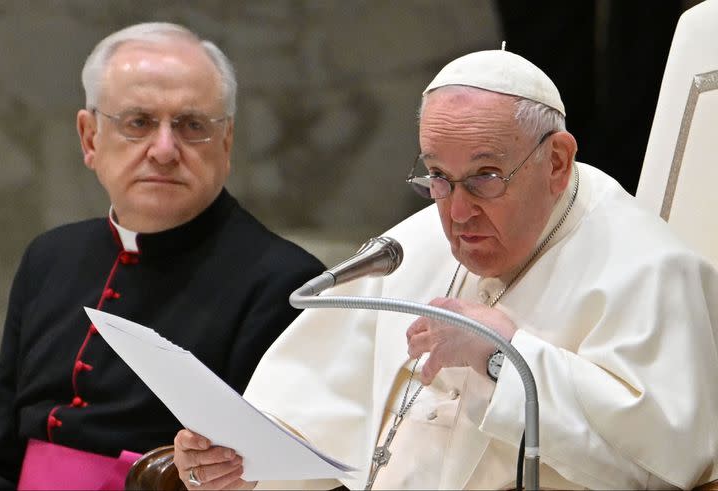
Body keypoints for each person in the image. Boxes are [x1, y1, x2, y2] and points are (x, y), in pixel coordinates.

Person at [172, 49, 718, 490]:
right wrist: (239, 465)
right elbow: (308, 421)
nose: (456, 214)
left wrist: (506, 354)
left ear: (556, 162)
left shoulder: (649, 269)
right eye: (437, 176)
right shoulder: (414, 244)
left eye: (485, 176)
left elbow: (659, 466)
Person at [0, 22, 324, 490]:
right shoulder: (49, 258)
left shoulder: (288, 285)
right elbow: (4, 453)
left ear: (226, 143)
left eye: (192, 126)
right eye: (138, 122)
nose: (164, 150)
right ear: (89, 139)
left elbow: (281, 476)